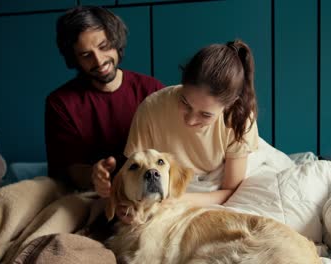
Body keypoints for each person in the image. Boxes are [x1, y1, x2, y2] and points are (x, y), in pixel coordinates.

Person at [94, 39, 259, 221]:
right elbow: (136, 180)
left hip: (215, 186)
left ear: (229, 106)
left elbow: (231, 191)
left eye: (205, 114)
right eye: (185, 103)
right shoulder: (152, 108)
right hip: (172, 186)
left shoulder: (239, 120)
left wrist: (178, 200)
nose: (190, 119)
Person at [45, 6, 164, 190]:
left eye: (104, 47)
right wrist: (94, 175)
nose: (99, 61)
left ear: (116, 41)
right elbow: (66, 169)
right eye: (86, 55)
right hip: (92, 195)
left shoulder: (152, 90)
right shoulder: (60, 103)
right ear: (74, 59)